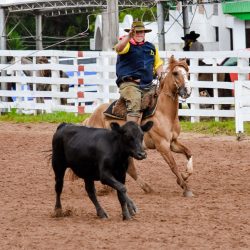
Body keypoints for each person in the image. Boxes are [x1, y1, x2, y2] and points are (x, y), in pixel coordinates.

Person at [114, 20, 163, 124]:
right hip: (129, 84)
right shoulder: (126, 43)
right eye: (137, 32)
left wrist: (162, 77)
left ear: (145, 33)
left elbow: (158, 64)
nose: (140, 34)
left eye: (142, 32)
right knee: (135, 103)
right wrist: (128, 36)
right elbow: (118, 48)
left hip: (148, 84)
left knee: (161, 99)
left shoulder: (151, 47)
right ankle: (131, 134)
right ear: (132, 32)